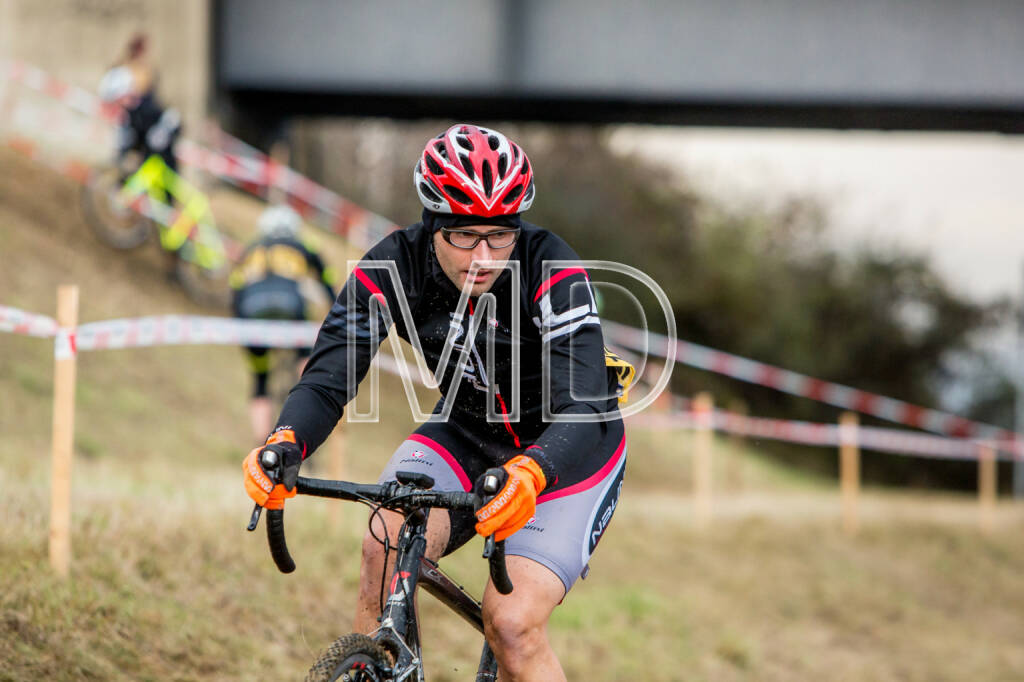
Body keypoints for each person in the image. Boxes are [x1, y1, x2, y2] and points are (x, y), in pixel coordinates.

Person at [242, 124, 632, 680]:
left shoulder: (552, 269)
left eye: (500, 235)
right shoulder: (392, 267)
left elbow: (586, 404)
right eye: (466, 235)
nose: (484, 256)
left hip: (569, 452)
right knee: (384, 545)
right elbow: (329, 376)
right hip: (468, 430)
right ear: (432, 224)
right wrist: (285, 440)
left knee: (512, 625)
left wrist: (534, 471)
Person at [231, 204, 338, 443]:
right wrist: (336, 313)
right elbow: (327, 279)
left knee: (260, 378)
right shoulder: (303, 244)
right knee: (306, 359)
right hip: (290, 309)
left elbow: (236, 290)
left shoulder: (251, 248)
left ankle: (261, 441)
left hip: (252, 315)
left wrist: (240, 328)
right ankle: (311, 400)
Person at [97, 33, 181, 177]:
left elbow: (170, 117)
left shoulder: (142, 104)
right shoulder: (124, 69)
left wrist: (161, 132)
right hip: (145, 138)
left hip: (159, 136)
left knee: (163, 169)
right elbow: (126, 136)